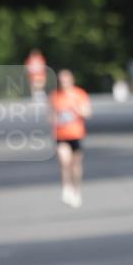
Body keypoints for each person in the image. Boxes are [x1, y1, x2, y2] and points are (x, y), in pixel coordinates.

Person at [48, 70, 91, 207]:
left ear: (71, 80)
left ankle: (76, 190)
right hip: (61, 135)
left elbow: (87, 113)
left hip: (76, 134)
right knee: (64, 161)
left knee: (75, 165)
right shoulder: (54, 96)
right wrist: (54, 122)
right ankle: (66, 188)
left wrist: (76, 109)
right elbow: (50, 116)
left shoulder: (79, 94)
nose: (63, 83)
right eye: (61, 81)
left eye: (65, 80)